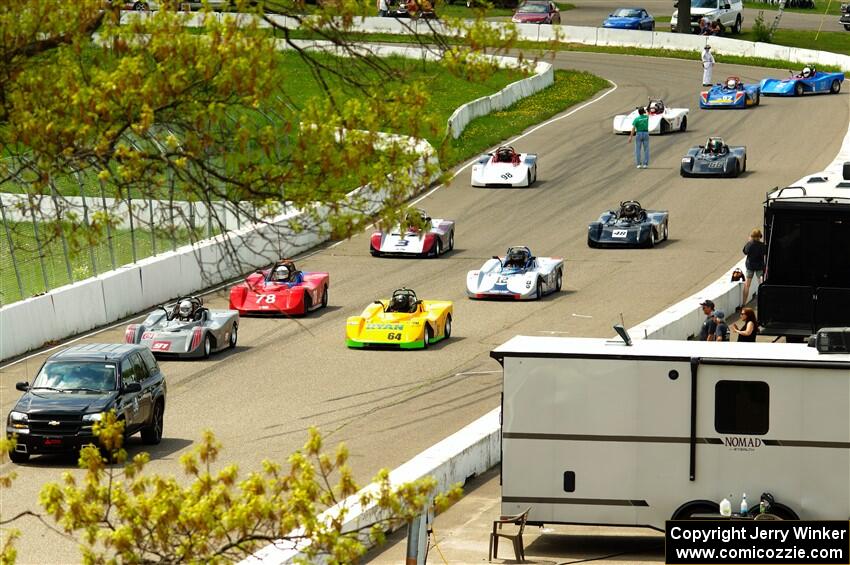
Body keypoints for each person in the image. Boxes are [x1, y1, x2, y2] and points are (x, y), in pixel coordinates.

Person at [741, 228, 766, 308]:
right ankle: (764, 302)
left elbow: (745, 252)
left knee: (747, 285)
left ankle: (744, 303)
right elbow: (765, 252)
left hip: (750, 266)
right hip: (759, 265)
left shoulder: (750, 244)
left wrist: (749, 242)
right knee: (761, 283)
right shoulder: (762, 245)